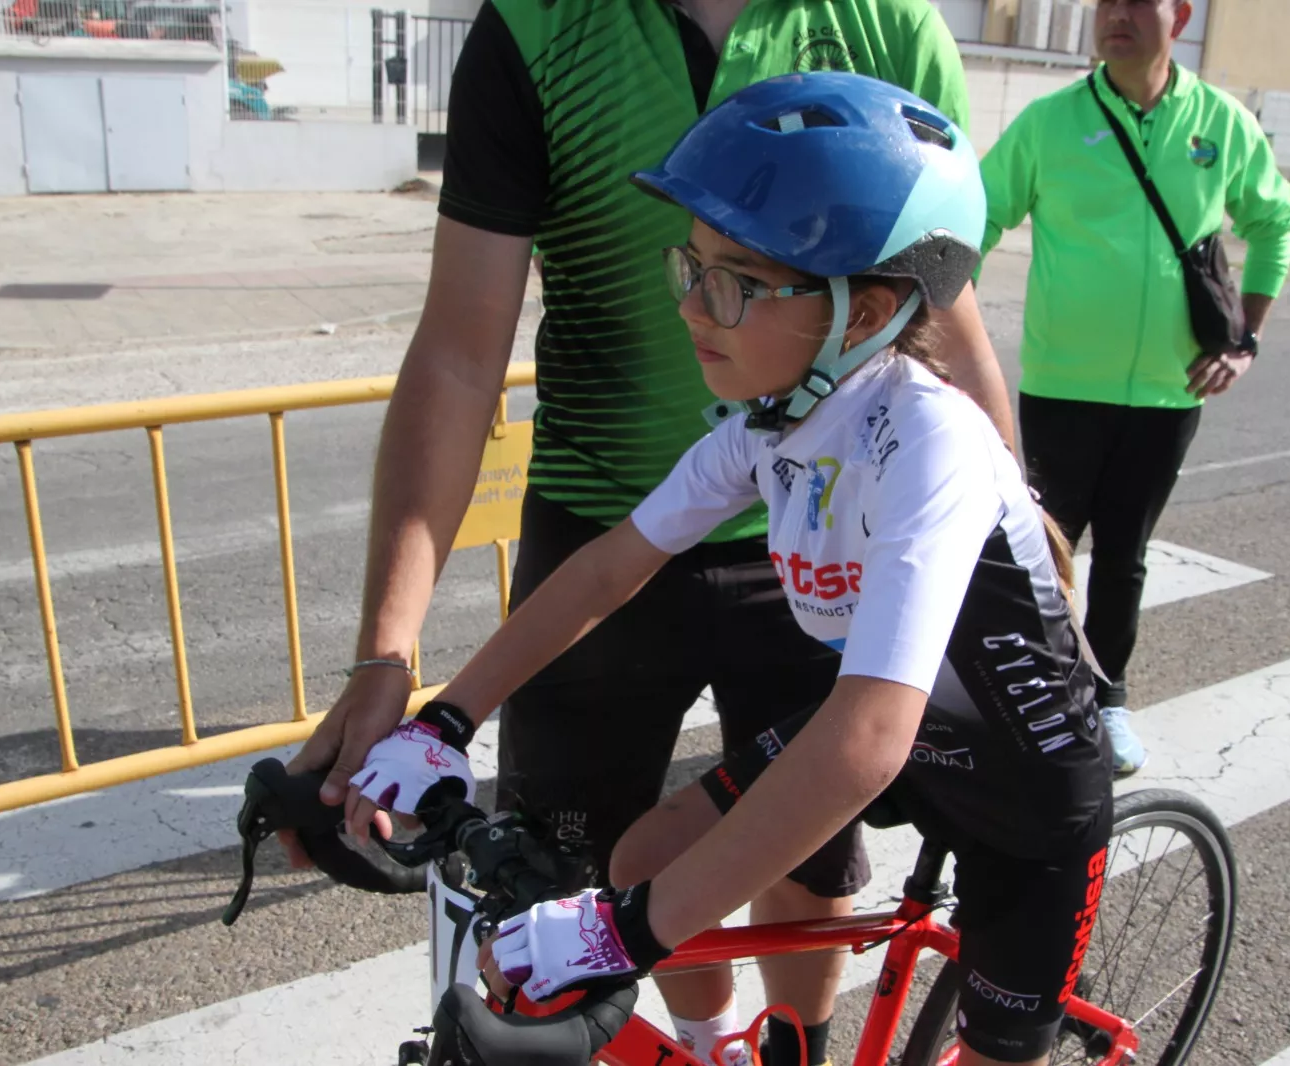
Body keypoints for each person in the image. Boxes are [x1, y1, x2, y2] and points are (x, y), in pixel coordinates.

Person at [282, 4, 1017, 1064]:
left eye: (730, 284)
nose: (692, 314)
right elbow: (587, 544)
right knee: (609, 859)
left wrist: (1017, 522)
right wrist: (433, 709)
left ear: (860, 313)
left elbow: (947, 310)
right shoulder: (753, 430)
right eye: (688, 269)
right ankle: (718, 1040)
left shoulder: (922, 441)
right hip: (611, 502)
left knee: (831, 887)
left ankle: (797, 1044)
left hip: (927, 644)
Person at [977, 0, 1290, 774]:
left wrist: (1245, 339)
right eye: (1105, 2)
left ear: (1178, 14)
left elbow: (1274, 221)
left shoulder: (1219, 123)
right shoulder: (1050, 123)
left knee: (1124, 558)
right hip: (1063, 388)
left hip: (1168, 395)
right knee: (1036, 556)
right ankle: (1019, 700)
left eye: (1137, 0)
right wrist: (950, 342)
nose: (1116, 14)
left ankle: (1107, 699)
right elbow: (976, 218)